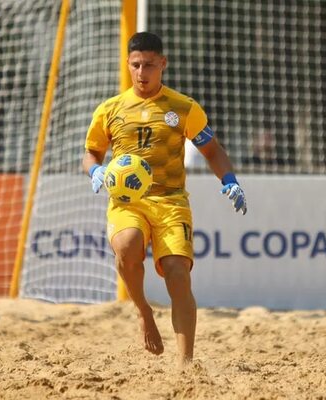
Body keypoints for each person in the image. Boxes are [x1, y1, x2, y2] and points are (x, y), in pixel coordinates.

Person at [82, 32, 247, 366]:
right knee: (128, 245)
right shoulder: (110, 110)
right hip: (128, 202)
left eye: (149, 65)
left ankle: (185, 365)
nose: (142, 72)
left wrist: (229, 179)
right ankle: (144, 312)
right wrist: (95, 171)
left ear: (163, 64)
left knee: (177, 273)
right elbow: (91, 153)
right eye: (136, 65)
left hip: (171, 201)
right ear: (128, 64)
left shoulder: (183, 108)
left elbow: (212, 151)